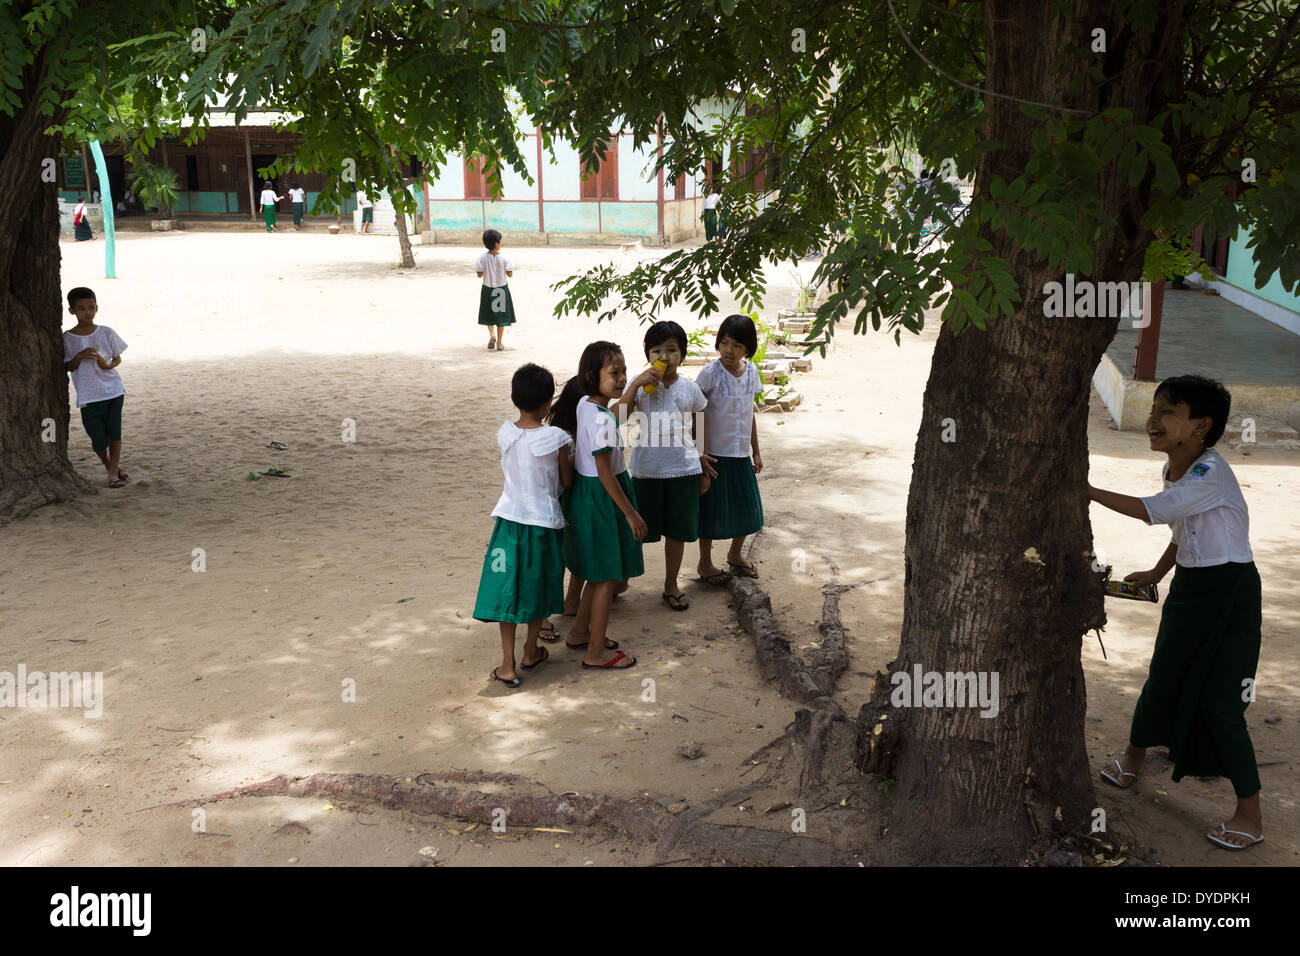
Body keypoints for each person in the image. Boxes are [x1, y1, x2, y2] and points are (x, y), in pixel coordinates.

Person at [1088, 375, 1264, 851]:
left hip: (1228, 593)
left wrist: (1086, 490)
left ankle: (1250, 814)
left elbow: (1158, 511)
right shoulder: (1178, 469)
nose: (1152, 420)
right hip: (1191, 585)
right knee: (1163, 674)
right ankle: (1133, 758)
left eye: (1168, 412)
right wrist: (1160, 572)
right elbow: (1183, 527)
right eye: (1154, 409)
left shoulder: (1210, 473)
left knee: (1221, 698)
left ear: (1201, 426)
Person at [548, 341, 659, 669]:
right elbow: (604, 471)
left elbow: (615, 413)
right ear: (590, 376)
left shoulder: (585, 404)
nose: (622, 378)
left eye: (624, 371)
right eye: (615, 373)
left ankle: (580, 633)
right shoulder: (600, 420)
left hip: (590, 495)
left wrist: (636, 386)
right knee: (608, 577)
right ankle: (596, 651)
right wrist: (631, 512)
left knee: (597, 574)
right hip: (604, 496)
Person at [472, 364, 574, 688]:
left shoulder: (506, 433)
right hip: (544, 525)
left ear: (515, 398)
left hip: (508, 525)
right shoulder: (557, 438)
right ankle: (531, 651)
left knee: (507, 589)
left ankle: (507, 665)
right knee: (537, 589)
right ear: (548, 403)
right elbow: (565, 481)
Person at [628, 321, 708, 611]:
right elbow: (617, 418)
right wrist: (636, 384)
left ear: (682, 355)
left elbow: (699, 425)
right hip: (645, 469)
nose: (664, 357)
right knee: (636, 529)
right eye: (656, 350)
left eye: (672, 350)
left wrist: (702, 461)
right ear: (648, 355)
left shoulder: (691, 388)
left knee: (677, 531)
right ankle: (620, 579)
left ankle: (671, 584)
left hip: (683, 470)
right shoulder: (638, 387)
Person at [695, 313, 765, 584]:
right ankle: (705, 563)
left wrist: (756, 450)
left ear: (748, 348)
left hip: (740, 454)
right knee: (710, 511)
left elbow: (749, 413)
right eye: (724, 343)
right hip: (714, 455)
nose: (729, 351)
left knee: (748, 509)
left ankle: (735, 554)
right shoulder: (710, 374)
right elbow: (697, 413)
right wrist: (699, 452)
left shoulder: (752, 373)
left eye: (736, 345)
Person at [62, 287, 128, 488]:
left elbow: (117, 357)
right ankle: (111, 466)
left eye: (91, 307)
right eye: (81, 309)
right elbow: (67, 366)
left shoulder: (106, 332)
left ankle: (112, 477)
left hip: (113, 391)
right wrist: (79, 357)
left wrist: (108, 365)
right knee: (98, 439)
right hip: (89, 396)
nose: (87, 312)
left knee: (114, 434)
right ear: (72, 311)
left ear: (97, 308)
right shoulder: (68, 338)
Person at [475, 229, 515, 352]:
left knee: (488, 314)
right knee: (501, 316)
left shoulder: (481, 258)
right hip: (501, 289)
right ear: (497, 243)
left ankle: (492, 335)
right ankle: (499, 343)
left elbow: (479, 274)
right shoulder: (505, 258)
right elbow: (510, 274)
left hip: (487, 288)